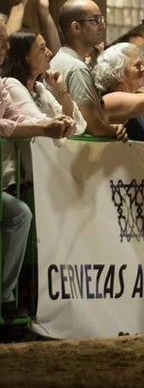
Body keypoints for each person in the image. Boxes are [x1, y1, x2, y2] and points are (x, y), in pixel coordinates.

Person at [1, 20, 75, 319]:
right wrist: (44, 126)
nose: (5, 46)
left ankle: (6, 299)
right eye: (1, 40)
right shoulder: (9, 82)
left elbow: (16, 117)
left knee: (20, 214)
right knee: (19, 213)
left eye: (6, 40)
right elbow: (12, 125)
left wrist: (49, 124)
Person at [1, 29, 85, 189]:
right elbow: (41, 125)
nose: (49, 52)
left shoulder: (39, 88)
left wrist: (61, 90)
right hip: (22, 181)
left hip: (48, 171)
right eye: (41, 49)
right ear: (25, 56)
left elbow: (78, 125)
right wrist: (61, 125)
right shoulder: (11, 83)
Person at [50, 0, 124, 139]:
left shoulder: (62, 58)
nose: (102, 26)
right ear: (76, 27)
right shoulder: (76, 67)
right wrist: (115, 131)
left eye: (102, 19)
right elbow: (91, 126)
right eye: (95, 20)